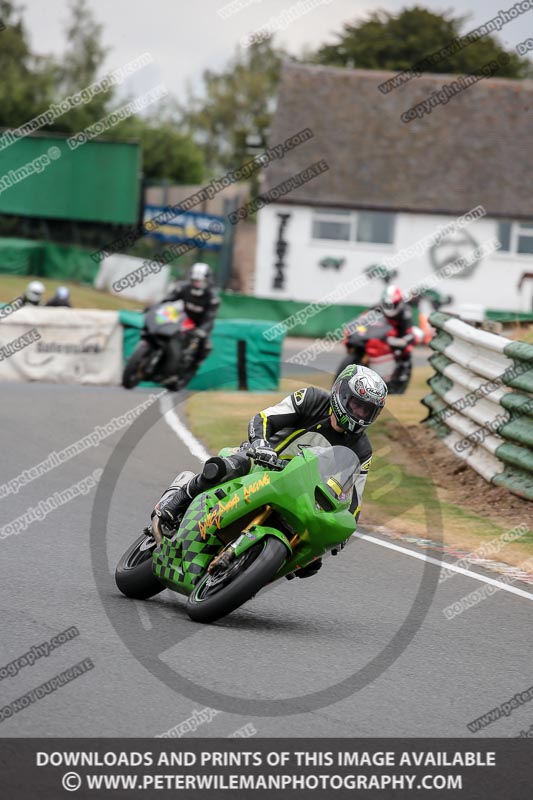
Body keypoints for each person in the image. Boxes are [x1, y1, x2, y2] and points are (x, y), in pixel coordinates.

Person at [152, 364, 387, 578]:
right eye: (357, 405)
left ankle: (249, 572)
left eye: (368, 411)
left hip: (300, 492)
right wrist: (261, 445)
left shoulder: (362, 450)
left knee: (311, 563)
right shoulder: (312, 399)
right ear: (342, 394)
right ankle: (176, 502)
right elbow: (264, 418)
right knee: (223, 468)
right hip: (262, 462)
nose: (360, 414)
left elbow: (353, 499)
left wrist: (342, 531)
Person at [160, 262, 220, 387]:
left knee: (206, 347)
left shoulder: (212, 297)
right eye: (195, 280)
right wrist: (157, 307)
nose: (197, 284)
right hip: (182, 320)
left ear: (207, 281)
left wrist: (202, 331)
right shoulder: (182, 288)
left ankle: (191, 369)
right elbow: (168, 300)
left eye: (200, 281)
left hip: (200, 326)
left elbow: (210, 318)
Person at [380, 285, 415, 388]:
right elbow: (364, 319)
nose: (390, 307)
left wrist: (402, 340)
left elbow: (408, 332)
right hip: (380, 335)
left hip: (398, 337)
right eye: (387, 304)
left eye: (393, 304)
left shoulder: (405, 312)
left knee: (405, 349)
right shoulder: (377, 308)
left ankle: (402, 374)